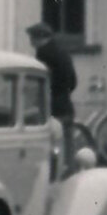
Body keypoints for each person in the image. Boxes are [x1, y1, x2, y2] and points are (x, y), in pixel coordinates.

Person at [27, 22, 80, 172]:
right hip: (66, 105)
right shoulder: (62, 51)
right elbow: (73, 81)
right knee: (68, 145)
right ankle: (70, 173)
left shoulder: (43, 53)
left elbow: (40, 82)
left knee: (49, 146)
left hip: (51, 108)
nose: (30, 42)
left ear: (39, 38)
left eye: (31, 38)